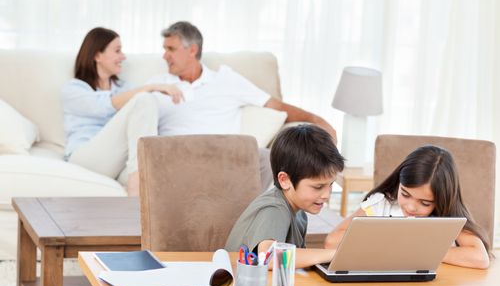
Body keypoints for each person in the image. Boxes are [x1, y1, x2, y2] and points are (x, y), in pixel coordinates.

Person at [147, 21, 338, 189]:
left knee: (264, 157)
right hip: (177, 159)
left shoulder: (225, 79)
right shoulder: (157, 84)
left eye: (170, 49)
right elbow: (132, 117)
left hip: (225, 159)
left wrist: (317, 120)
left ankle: (253, 219)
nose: (165, 56)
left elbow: (276, 106)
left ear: (192, 50)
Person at [325, 145, 491, 269]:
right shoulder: (381, 204)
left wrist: (418, 250)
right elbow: (332, 242)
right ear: (399, 183)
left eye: (425, 203)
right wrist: (388, 239)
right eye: (405, 194)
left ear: (441, 200)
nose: (411, 207)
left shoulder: (449, 216)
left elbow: (480, 258)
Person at [62, 27, 184, 196]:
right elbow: (105, 105)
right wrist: (150, 88)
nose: (123, 57)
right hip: (86, 157)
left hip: (118, 163)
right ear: (97, 56)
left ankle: (140, 177)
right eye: (117, 51)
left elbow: (141, 122)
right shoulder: (74, 89)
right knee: (144, 99)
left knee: (165, 177)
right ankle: (137, 181)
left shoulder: (125, 89)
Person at [225, 124, 345, 268]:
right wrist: (335, 254)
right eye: (318, 187)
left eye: (330, 184)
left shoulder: (300, 213)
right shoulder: (274, 209)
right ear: (285, 180)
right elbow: (267, 257)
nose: (326, 195)